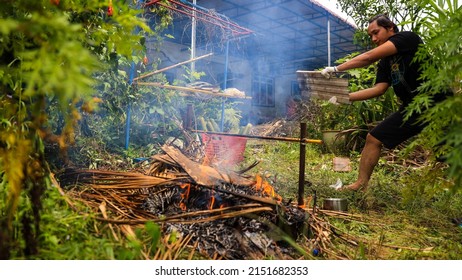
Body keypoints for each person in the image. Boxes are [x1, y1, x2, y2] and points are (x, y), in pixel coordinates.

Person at [320, 14, 450, 191]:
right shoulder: (385, 63)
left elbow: (368, 57)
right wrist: (345, 97)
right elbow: (379, 89)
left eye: (376, 32)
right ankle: (360, 185)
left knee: (450, 156)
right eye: (370, 36)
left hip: (438, 104)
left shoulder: (407, 39)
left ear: (390, 27)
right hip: (412, 108)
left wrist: (336, 69)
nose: (373, 39)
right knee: (374, 138)